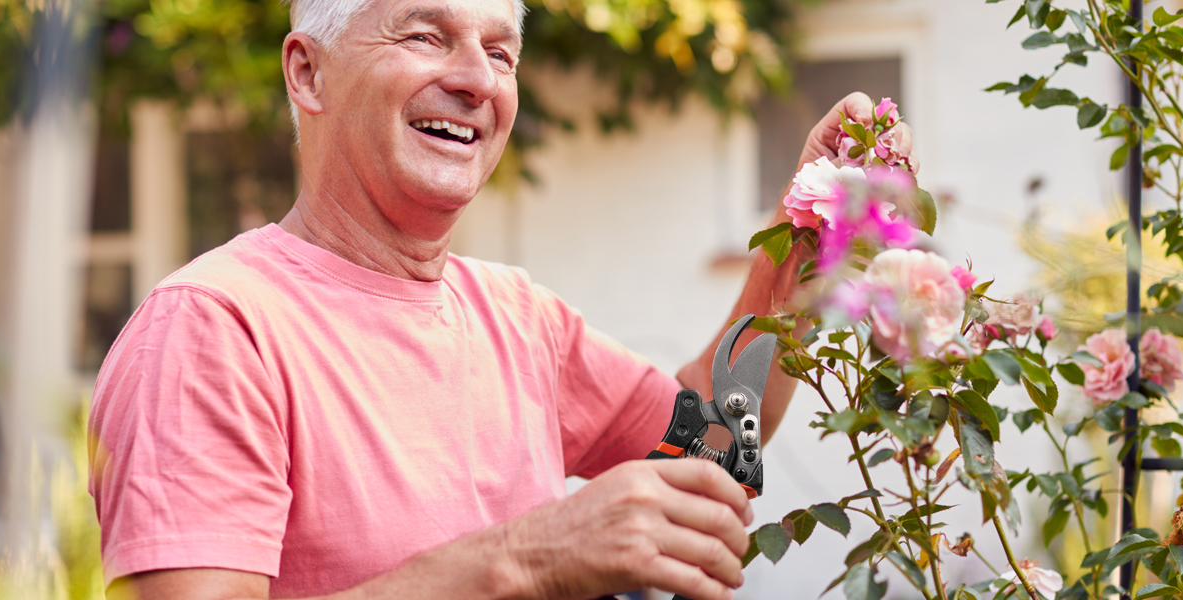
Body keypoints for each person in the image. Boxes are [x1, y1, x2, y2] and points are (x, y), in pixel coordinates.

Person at [87, 0, 913, 598]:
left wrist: (801, 250)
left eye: (502, 51)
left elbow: (714, 447)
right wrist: (525, 560)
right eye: (426, 34)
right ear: (308, 72)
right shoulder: (212, 327)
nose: (477, 80)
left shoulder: (517, 315)